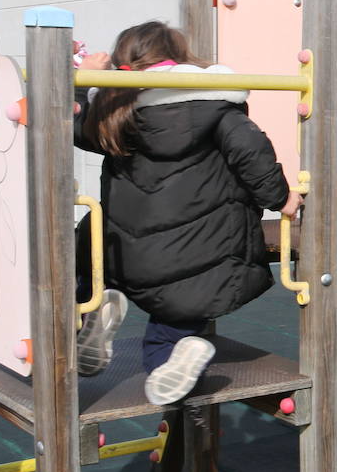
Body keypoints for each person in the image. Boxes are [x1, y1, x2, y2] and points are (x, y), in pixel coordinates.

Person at [75, 21, 302, 405]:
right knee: (175, 324)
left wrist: (82, 82)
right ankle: (171, 359)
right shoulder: (214, 103)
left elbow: (72, 126)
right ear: (180, 58)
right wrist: (280, 198)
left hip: (125, 257)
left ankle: (89, 310)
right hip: (201, 256)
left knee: (85, 248)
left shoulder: (117, 112)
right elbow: (251, 151)